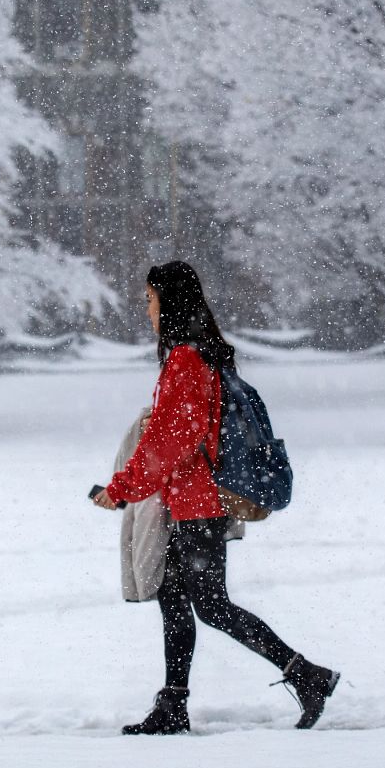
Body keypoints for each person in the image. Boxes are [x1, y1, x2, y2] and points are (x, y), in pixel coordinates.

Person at [94, 260, 340, 734]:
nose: (146, 309)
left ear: (169, 301)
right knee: (175, 598)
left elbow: (173, 441)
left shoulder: (187, 359)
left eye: (150, 299)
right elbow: (173, 434)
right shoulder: (195, 355)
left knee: (211, 606)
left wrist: (122, 488)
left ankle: (306, 674)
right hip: (188, 501)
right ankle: (174, 704)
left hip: (198, 504)